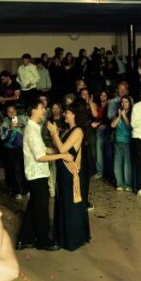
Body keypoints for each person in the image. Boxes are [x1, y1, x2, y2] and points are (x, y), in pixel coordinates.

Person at [17, 99, 69, 251]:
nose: (44, 111)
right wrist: (62, 156)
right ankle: (43, 241)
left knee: (34, 207)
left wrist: (54, 150)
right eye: (42, 108)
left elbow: (41, 149)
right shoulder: (32, 130)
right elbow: (40, 157)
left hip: (36, 173)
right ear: (33, 111)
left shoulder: (34, 128)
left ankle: (24, 239)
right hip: (37, 174)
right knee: (41, 209)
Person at [47, 101, 91, 251]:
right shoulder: (68, 130)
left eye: (67, 112)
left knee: (71, 205)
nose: (64, 114)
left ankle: (73, 239)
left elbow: (63, 149)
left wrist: (54, 133)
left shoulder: (78, 131)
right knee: (63, 203)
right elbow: (58, 149)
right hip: (63, 172)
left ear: (74, 115)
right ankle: (63, 237)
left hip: (70, 172)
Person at [0, 104, 27, 199]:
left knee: (24, 169)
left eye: (13, 111)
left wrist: (22, 125)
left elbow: (29, 129)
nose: (12, 113)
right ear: (6, 113)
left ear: (16, 111)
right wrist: (10, 128)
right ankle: (17, 191)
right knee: (15, 170)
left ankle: (25, 190)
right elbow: (3, 138)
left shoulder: (22, 119)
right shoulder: (5, 123)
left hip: (24, 148)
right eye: (9, 112)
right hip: (12, 150)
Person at [110, 96, 134, 192]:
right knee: (117, 164)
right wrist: (119, 116)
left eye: (126, 101)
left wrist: (124, 116)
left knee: (127, 165)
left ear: (130, 103)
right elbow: (112, 125)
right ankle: (119, 184)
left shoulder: (132, 114)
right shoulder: (118, 113)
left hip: (128, 142)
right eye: (122, 102)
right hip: (117, 142)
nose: (124, 104)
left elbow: (130, 127)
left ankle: (128, 184)